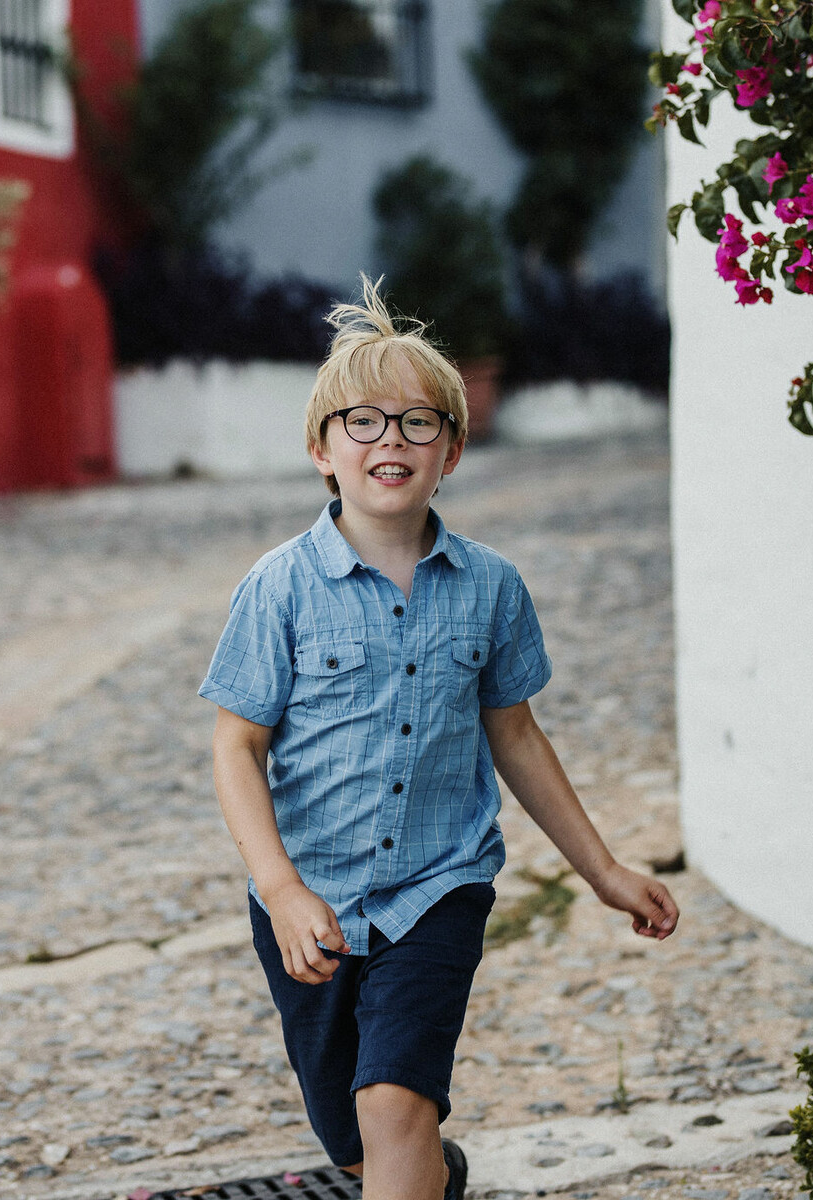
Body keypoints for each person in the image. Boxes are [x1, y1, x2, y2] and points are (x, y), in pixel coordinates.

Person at [198, 282, 678, 1200]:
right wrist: (281, 887)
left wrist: (605, 871)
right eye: (364, 422)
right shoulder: (278, 589)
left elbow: (519, 737)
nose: (392, 441)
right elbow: (236, 749)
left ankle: (410, 1154)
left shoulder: (491, 589)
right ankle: (432, 1177)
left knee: (394, 1105)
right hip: (311, 907)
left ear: (452, 450)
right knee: (353, 1136)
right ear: (320, 450)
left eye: (420, 423)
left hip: (438, 886)